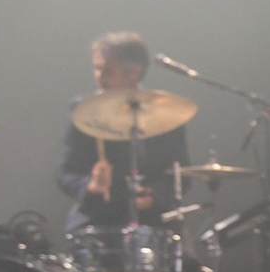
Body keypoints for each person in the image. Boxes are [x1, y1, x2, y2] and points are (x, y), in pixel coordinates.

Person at [56, 31, 189, 233]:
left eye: (107, 71)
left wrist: (154, 197)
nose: (99, 78)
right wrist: (89, 185)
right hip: (98, 220)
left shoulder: (167, 115)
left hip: (153, 221)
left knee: (187, 259)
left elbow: (183, 176)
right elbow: (65, 174)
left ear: (134, 72)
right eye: (96, 69)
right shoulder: (83, 113)